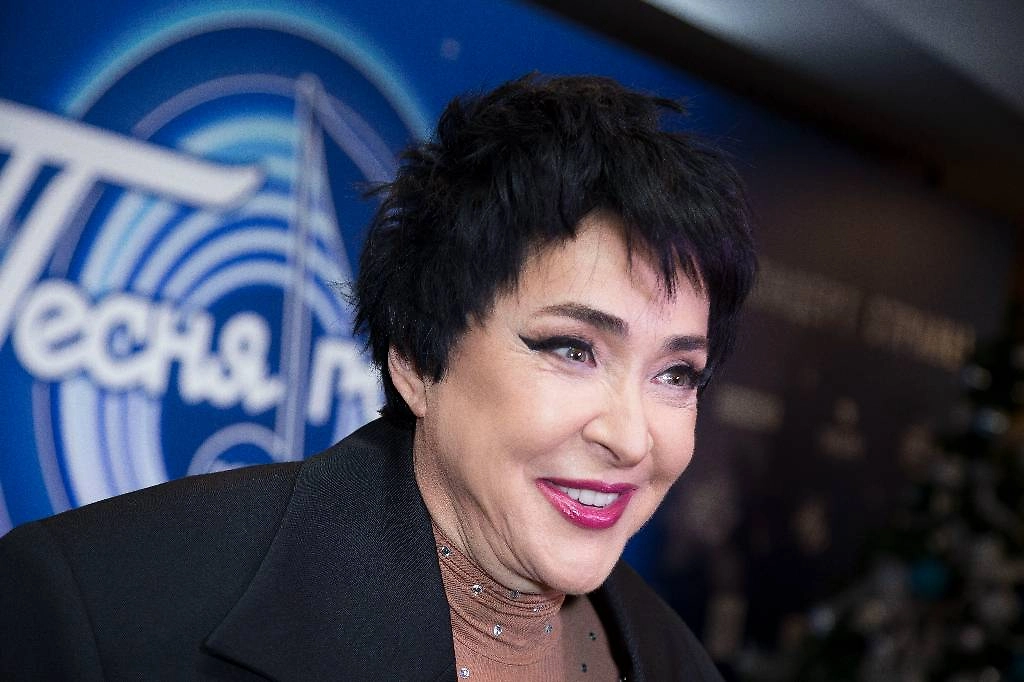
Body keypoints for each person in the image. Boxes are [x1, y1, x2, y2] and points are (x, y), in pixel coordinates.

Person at [0, 73, 755, 680]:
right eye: (572, 349)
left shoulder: (675, 663)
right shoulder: (96, 607)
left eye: (676, 374)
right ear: (419, 358)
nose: (631, 438)